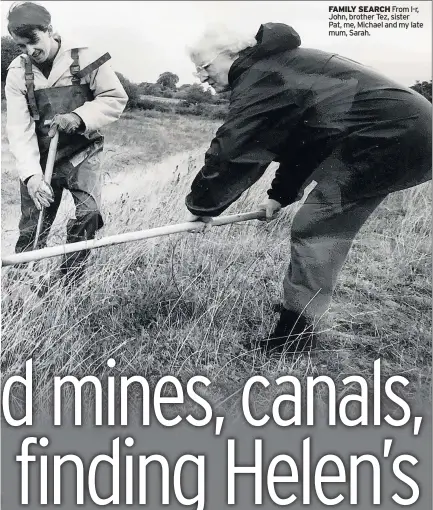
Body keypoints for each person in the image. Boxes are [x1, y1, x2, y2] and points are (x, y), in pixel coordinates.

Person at [184, 22, 432, 354]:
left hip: (391, 137)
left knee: (315, 227)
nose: (201, 77)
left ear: (231, 54)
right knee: (320, 225)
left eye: (204, 66)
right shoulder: (279, 66)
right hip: (402, 134)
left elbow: (234, 149)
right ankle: (299, 313)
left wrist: (201, 207)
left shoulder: (261, 76)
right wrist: (280, 195)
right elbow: (308, 140)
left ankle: (295, 335)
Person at [5, 1, 128, 285]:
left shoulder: (86, 57)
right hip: (40, 155)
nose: (29, 51)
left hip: (82, 152)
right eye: (21, 45)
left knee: (89, 214)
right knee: (32, 226)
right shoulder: (17, 71)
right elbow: (18, 127)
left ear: (49, 29)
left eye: (33, 41)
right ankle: (21, 286)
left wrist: (78, 115)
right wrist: (32, 175)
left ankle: (68, 284)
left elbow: (114, 98)